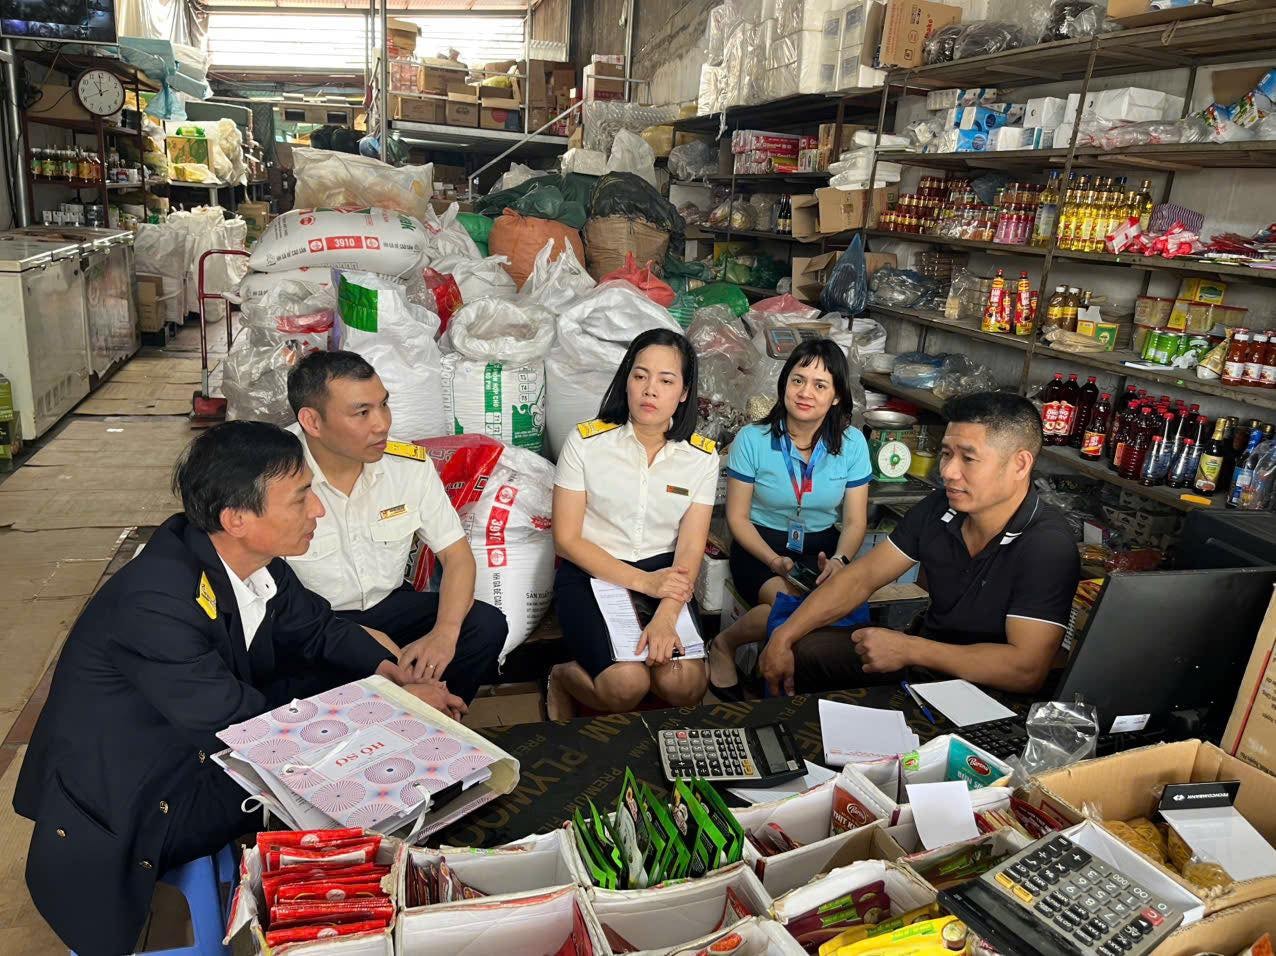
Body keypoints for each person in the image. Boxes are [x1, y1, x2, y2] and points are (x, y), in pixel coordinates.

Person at [13, 421, 462, 956]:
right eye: (301, 498)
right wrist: (392, 713)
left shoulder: (251, 564)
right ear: (237, 519)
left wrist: (391, 674)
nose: (318, 510)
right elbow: (246, 729)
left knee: (347, 705)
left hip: (193, 742)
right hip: (139, 797)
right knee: (345, 774)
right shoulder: (155, 603)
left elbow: (318, 629)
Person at [760, 391, 1079, 696]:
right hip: (923, 658)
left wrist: (910, 649)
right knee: (803, 650)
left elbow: (1026, 670)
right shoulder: (942, 508)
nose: (948, 472)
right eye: (946, 454)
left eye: (968, 458)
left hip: (987, 689)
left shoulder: (1047, 546)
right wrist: (784, 635)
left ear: (1020, 464)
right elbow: (861, 577)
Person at [284, 350, 505, 704]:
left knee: (484, 625)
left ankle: (434, 717)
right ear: (312, 421)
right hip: (311, 624)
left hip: (388, 605)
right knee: (292, 667)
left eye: (384, 405)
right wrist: (356, 638)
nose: (382, 424)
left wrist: (444, 634)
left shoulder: (407, 467)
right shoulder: (275, 475)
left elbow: (456, 556)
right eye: (362, 413)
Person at [547, 328, 718, 717]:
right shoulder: (586, 443)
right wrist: (645, 583)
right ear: (626, 380)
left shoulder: (701, 457)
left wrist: (667, 612)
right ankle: (562, 677)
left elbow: (691, 546)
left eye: (666, 380)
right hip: (592, 570)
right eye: (640, 376)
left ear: (685, 392)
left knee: (685, 683)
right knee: (626, 684)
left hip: (666, 571)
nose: (650, 390)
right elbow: (566, 540)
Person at [707, 339, 871, 694]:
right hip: (760, 546)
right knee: (790, 608)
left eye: (820, 385)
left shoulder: (853, 444)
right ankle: (724, 645)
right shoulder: (752, 439)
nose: (805, 392)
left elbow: (855, 522)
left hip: (822, 550)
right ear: (784, 383)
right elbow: (737, 518)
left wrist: (840, 561)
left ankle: (795, 682)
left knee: (837, 609)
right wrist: (774, 561)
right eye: (798, 380)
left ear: (837, 396)